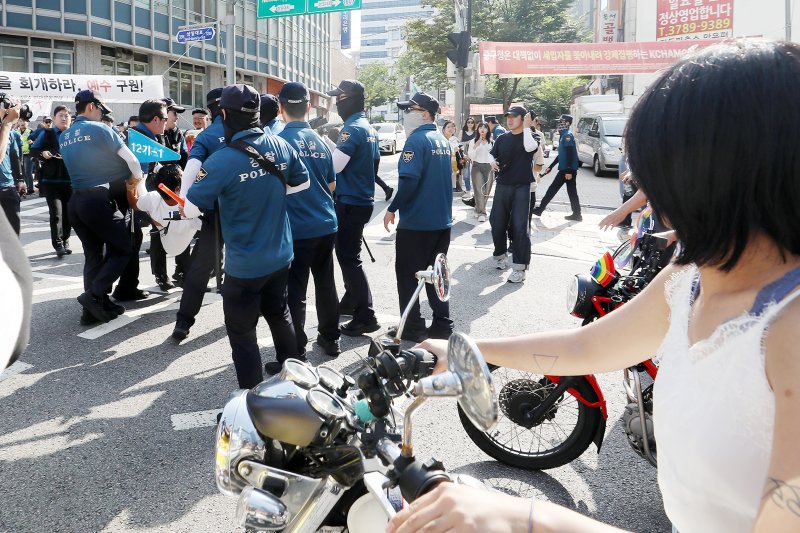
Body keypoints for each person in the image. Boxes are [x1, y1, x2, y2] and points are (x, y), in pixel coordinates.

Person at [389, 39, 800, 533]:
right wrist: (469, 351)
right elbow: (588, 346)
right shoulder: (694, 275)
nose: (638, 185)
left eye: (654, 169)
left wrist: (526, 516)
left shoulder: (789, 326)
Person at [184, 83, 310, 384]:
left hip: (244, 265)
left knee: (242, 333)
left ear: (224, 115)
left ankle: (251, 396)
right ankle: (295, 378)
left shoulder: (221, 160)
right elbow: (302, 183)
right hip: (281, 253)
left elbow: (190, 208)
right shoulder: (281, 145)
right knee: (279, 313)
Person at [60, 89, 143, 324]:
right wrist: (136, 181)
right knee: (123, 248)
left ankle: (93, 311)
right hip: (97, 199)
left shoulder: (64, 136)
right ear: (91, 107)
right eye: (100, 110)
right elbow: (133, 160)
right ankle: (93, 296)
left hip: (76, 201)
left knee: (93, 255)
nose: (101, 114)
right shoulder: (101, 129)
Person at [276, 82, 341, 357]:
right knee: (326, 283)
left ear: (281, 108)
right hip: (326, 223)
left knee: (295, 290)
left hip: (297, 227)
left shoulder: (279, 142)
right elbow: (332, 184)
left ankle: (296, 350)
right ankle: (330, 338)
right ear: (308, 107)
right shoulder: (321, 141)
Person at [383, 92, 453, 342]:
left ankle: (412, 326)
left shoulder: (416, 141)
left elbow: (409, 181)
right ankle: (442, 324)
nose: (405, 115)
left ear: (425, 114)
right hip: (442, 221)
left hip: (417, 223)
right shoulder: (442, 140)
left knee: (407, 276)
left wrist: (392, 207)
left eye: (409, 110)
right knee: (437, 274)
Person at [326, 79, 381, 336]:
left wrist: (323, 149)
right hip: (362, 200)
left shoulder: (351, 129)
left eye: (339, 98)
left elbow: (334, 167)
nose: (337, 103)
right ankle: (350, 300)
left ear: (350, 99)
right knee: (349, 254)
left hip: (350, 201)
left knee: (349, 258)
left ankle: (366, 315)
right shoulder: (368, 128)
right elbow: (373, 165)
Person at [171, 87, 225, 341]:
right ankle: (247, 314)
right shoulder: (250, 133)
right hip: (245, 210)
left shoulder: (207, 136)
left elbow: (191, 170)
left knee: (200, 267)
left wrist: (185, 203)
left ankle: (183, 322)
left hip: (214, 212)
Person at [112, 99, 170, 299]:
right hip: (125, 198)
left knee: (129, 241)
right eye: (164, 118)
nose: (166, 122)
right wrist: (145, 207)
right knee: (131, 241)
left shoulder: (131, 133)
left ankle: (124, 286)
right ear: (155, 119)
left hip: (112, 194)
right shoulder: (142, 140)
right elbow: (138, 180)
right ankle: (124, 288)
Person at [488, 106, 539, 283]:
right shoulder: (502, 138)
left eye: (514, 116)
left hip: (522, 187)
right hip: (503, 184)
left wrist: (527, 127)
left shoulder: (532, 136)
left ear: (523, 118)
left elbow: (530, 148)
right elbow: (491, 154)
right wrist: (492, 162)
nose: (509, 120)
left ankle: (519, 268)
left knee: (519, 226)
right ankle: (500, 255)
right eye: (508, 116)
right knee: (497, 222)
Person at [128, 164, 200, 280]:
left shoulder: (153, 198)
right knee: (211, 231)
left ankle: (164, 275)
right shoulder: (191, 200)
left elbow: (134, 204)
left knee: (149, 207)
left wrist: (130, 187)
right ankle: (190, 273)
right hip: (182, 235)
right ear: (177, 188)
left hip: (167, 237)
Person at [29, 105, 73, 256]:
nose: (64, 118)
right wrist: (43, 153)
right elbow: (33, 151)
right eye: (61, 115)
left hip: (70, 181)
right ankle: (58, 244)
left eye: (66, 116)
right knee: (56, 214)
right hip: (51, 181)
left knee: (68, 214)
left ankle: (66, 240)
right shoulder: (47, 133)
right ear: (54, 118)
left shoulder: (75, 134)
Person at [532, 114, 582, 222]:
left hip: (567, 170)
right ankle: (577, 214)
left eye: (561, 122)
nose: (559, 124)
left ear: (567, 123)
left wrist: (568, 171)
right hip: (566, 169)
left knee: (553, 189)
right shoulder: (563, 135)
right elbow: (561, 155)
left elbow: (569, 153)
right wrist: (550, 167)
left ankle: (540, 209)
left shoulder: (567, 135)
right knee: (571, 192)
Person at [0, 101, 26, 235]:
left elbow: (15, 158)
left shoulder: (11, 133)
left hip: (8, 188)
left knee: (13, 236)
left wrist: (20, 179)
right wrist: (7, 124)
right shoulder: (7, 127)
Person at [466, 121, 493, 222]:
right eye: (480, 127)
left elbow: (494, 156)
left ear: (488, 130)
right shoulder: (473, 141)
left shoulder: (492, 142)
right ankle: (482, 213)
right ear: (477, 129)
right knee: (479, 189)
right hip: (477, 166)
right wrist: (476, 146)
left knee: (486, 191)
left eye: (485, 127)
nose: (482, 129)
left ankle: (478, 208)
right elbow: (471, 156)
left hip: (489, 167)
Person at [162, 97, 189, 169]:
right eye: (175, 113)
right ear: (164, 113)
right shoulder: (153, 133)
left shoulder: (178, 134)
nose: (177, 117)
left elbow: (184, 156)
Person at [442, 120, 462, 193]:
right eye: (448, 127)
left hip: (453, 166)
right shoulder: (441, 140)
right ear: (443, 129)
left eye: (453, 127)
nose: (451, 128)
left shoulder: (455, 140)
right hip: (443, 166)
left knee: (451, 189)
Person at [459, 117, 476, 194]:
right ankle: (468, 190)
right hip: (465, 154)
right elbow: (458, 143)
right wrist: (468, 142)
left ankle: (476, 189)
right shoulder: (462, 132)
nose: (470, 124)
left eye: (472, 122)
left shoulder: (476, 132)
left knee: (475, 173)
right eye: (468, 122)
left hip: (475, 154)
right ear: (466, 123)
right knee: (466, 173)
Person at [17, 119, 34, 193]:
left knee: (28, 171)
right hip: (20, 155)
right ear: (18, 122)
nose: (22, 123)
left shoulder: (31, 131)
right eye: (20, 121)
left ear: (28, 122)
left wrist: (33, 142)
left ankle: (30, 189)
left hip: (29, 154)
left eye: (24, 121)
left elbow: (37, 141)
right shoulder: (16, 132)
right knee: (23, 172)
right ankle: (27, 187)